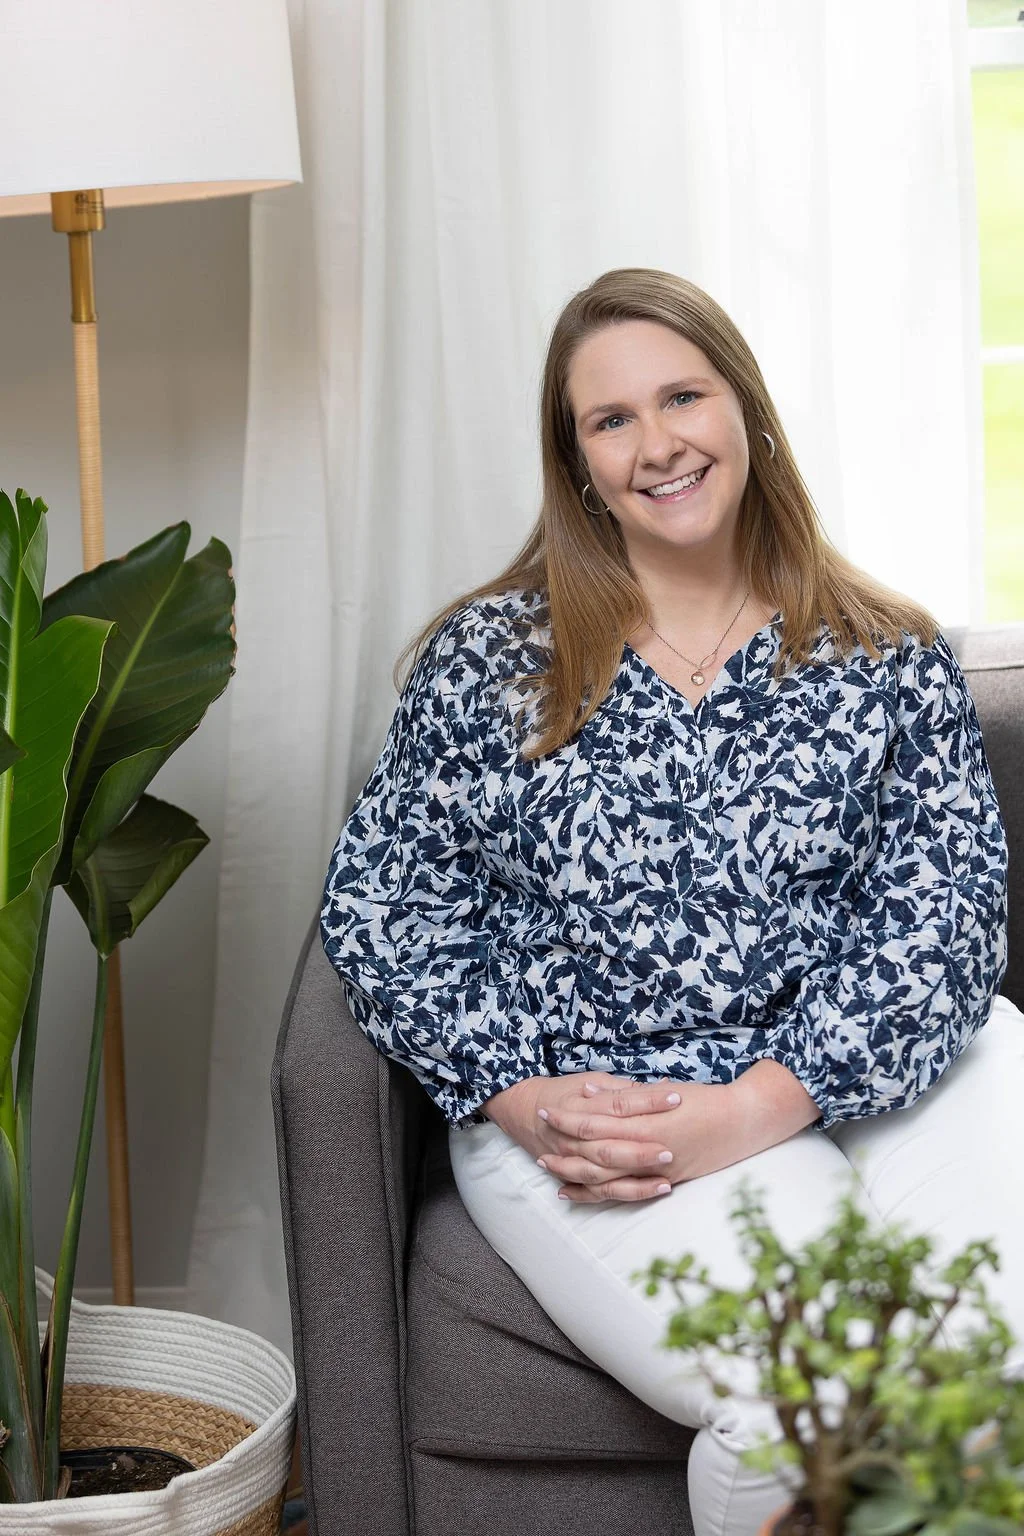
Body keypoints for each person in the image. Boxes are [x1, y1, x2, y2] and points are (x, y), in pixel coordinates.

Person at [320, 268, 1022, 1536]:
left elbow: (944, 921)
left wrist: (761, 1106)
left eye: (682, 396)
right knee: (817, 1395)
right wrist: (519, 1097)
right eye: (611, 420)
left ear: (743, 410)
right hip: (603, 1104)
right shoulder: (489, 662)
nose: (658, 445)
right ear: (578, 462)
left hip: (853, 1073)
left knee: (998, 1347)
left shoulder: (882, 651)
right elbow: (385, 912)